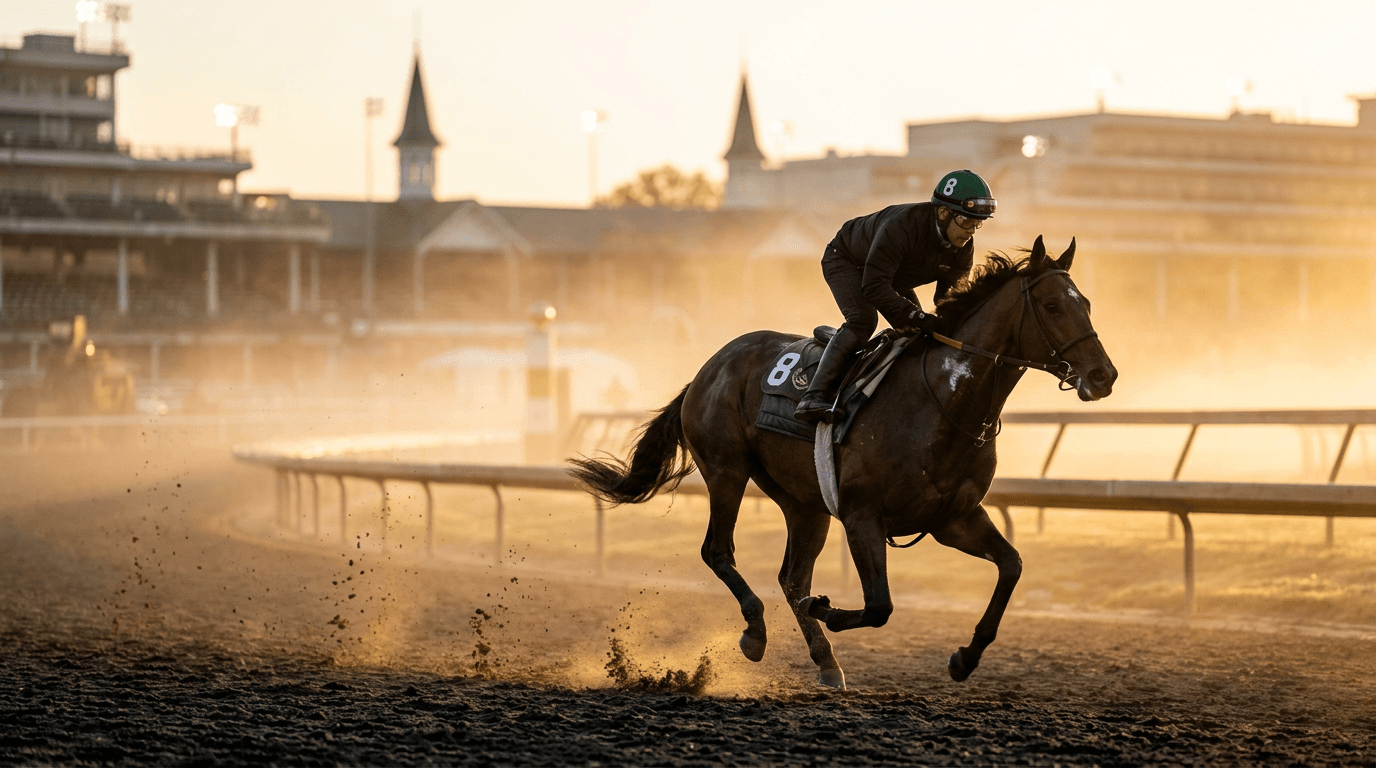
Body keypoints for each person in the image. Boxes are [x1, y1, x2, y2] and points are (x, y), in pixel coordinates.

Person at [793, 169, 997, 424]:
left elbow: (948, 300)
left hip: (891, 274)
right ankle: (813, 396)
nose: (971, 231)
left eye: (978, 224)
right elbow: (874, 287)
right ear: (944, 213)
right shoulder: (903, 226)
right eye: (966, 222)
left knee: (919, 335)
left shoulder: (963, 245)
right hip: (847, 259)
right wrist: (919, 316)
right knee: (862, 320)